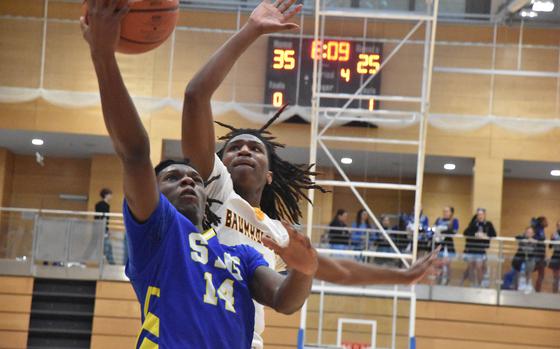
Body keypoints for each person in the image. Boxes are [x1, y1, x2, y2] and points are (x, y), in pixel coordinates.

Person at [181, 1, 440, 347]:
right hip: (193, 334)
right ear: (220, 162)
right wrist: (251, 31)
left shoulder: (274, 232)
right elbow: (196, 97)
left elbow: (337, 270)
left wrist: (402, 275)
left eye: (255, 148)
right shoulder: (215, 188)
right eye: (234, 147)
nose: (244, 150)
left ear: (270, 175)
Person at [80, 2, 318, 347]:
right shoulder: (161, 233)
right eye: (173, 178)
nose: (189, 178)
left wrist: (305, 269)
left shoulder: (245, 254)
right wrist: (103, 56)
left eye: (191, 176)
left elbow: (284, 299)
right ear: (154, 196)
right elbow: (135, 152)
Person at [461, 208, 497, 287]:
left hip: (480, 249)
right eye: (478, 214)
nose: (480, 216)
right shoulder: (473, 223)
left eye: (481, 214)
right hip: (471, 248)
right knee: (470, 267)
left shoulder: (488, 224)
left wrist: (485, 236)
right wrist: (474, 234)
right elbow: (465, 233)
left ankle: (479, 284)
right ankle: (472, 283)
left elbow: (494, 234)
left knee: (479, 266)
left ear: (484, 215)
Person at [433, 206, 458, 285]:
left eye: (447, 211)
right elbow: (434, 229)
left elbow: (454, 231)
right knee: (439, 263)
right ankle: (438, 281)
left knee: (448, 264)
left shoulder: (454, 220)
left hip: (448, 244)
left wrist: (443, 230)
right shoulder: (438, 220)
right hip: (439, 244)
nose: (445, 213)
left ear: (451, 213)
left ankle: (447, 281)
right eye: (444, 211)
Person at [511, 226, 538, 292]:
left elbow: (541, 241)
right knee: (517, 273)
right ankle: (516, 288)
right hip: (520, 257)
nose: (528, 234)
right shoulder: (521, 237)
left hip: (530, 258)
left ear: (533, 234)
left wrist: (534, 241)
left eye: (530, 232)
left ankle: (527, 285)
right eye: (527, 232)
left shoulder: (535, 240)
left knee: (528, 272)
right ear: (525, 232)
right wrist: (524, 239)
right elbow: (517, 237)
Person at [95, 188, 114, 265]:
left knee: (104, 246)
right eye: (110, 194)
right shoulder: (104, 205)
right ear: (106, 195)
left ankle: (111, 263)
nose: (111, 196)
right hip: (101, 228)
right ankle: (112, 263)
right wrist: (105, 230)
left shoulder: (99, 204)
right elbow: (103, 218)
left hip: (99, 227)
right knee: (107, 247)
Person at [530, 216, 547, 292]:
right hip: (537, 255)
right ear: (541, 222)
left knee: (541, 274)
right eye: (545, 221)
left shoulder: (542, 229)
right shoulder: (537, 229)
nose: (547, 222)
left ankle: (537, 291)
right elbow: (535, 239)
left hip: (541, 255)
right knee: (531, 270)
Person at [549, 221, 560, 293]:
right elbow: (550, 246)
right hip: (556, 255)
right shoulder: (554, 234)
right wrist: (552, 239)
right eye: (558, 225)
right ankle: (554, 293)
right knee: (555, 276)